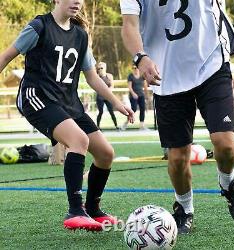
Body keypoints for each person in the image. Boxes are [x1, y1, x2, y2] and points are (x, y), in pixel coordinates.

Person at [0, 0, 134, 232]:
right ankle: (75, 210)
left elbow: (92, 78)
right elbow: (5, 57)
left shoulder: (81, 36)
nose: (77, 2)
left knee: (105, 153)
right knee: (78, 141)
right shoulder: (39, 26)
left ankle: (92, 209)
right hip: (37, 96)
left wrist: (116, 102)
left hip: (68, 102)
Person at [120, 0, 234, 234]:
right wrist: (141, 57)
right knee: (178, 159)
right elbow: (129, 25)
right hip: (165, 75)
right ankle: (185, 207)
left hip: (211, 64)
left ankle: (228, 183)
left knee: (226, 145)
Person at [122, 65, 148, 130]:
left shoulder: (142, 76)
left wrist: (146, 95)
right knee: (133, 109)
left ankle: (142, 125)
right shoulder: (130, 76)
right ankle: (126, 123)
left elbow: (145, 86)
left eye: (136, 68)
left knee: (142, 109)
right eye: (133, 68)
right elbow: (130, 87)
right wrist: (133, 94)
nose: (135, 69)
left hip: (141, 95)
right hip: (133, 96)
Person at [96, 61, 119, 130]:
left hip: (108, 96)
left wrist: (107, 91)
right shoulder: (96, 77)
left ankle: (116, 126)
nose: (100, 69)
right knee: (100, 112)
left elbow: (112, 86)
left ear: (105, 68)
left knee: (111, 111)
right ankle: (98, 127)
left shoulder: (109, 76)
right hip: (100, 97)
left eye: (101, 68)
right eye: (99, 68)